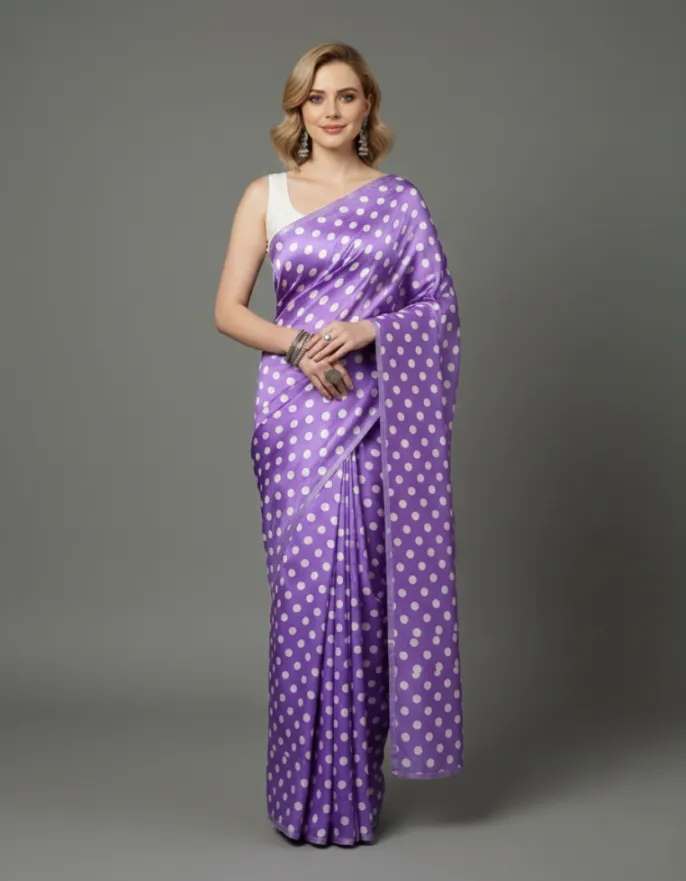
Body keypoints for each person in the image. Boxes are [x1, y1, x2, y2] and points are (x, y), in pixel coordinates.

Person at [214, 41, 464, 847]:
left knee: (362, 596)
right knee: (305, 599)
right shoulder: (265, 195)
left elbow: (439, 307)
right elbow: (228, 309)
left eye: (345, 96)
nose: (329, 111)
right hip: (295, 414)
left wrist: (369, 330)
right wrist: (297, 347)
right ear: (297, 107)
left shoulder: (399, 201)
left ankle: (352, 798)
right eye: (315, 97)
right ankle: (299, 797)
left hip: (374, 412)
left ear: (367, 107)